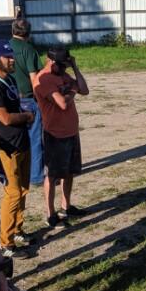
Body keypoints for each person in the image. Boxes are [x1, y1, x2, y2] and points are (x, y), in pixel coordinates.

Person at [0, 40, 35, 257]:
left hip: (22, 141)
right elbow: (4, 118)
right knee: (12, 193)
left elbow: (17, 105)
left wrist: (24, 114)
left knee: (23, 190)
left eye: (12, 56)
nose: (12, 60)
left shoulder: (10, 79)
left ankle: (17, 229)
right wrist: (28, 116)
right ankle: (6, 242)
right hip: (6, 146)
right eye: (7, 57)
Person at [35, 46, 89, 228]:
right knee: (53, 175)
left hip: (71, 131)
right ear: (51, 62)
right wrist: (72, 92)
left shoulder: (62, 75)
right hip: (55, 134)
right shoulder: (43, 80)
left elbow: (85, 89)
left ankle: (66, 206)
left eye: (67, 64)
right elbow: (62, 103)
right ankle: (50, 214)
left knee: (70, 172)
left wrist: (74, 67)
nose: (65, 68)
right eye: (62, 65)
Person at [10, 18, 45, 189]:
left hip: (11, 98)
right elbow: (34, 78)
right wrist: (42, 99)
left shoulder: (6, 46)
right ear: (29, 33)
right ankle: (36, 176)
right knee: (35, 139)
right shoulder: (29, 49)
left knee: (17, 139)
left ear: (13, 31)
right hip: (29, 99)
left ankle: (16, 174)